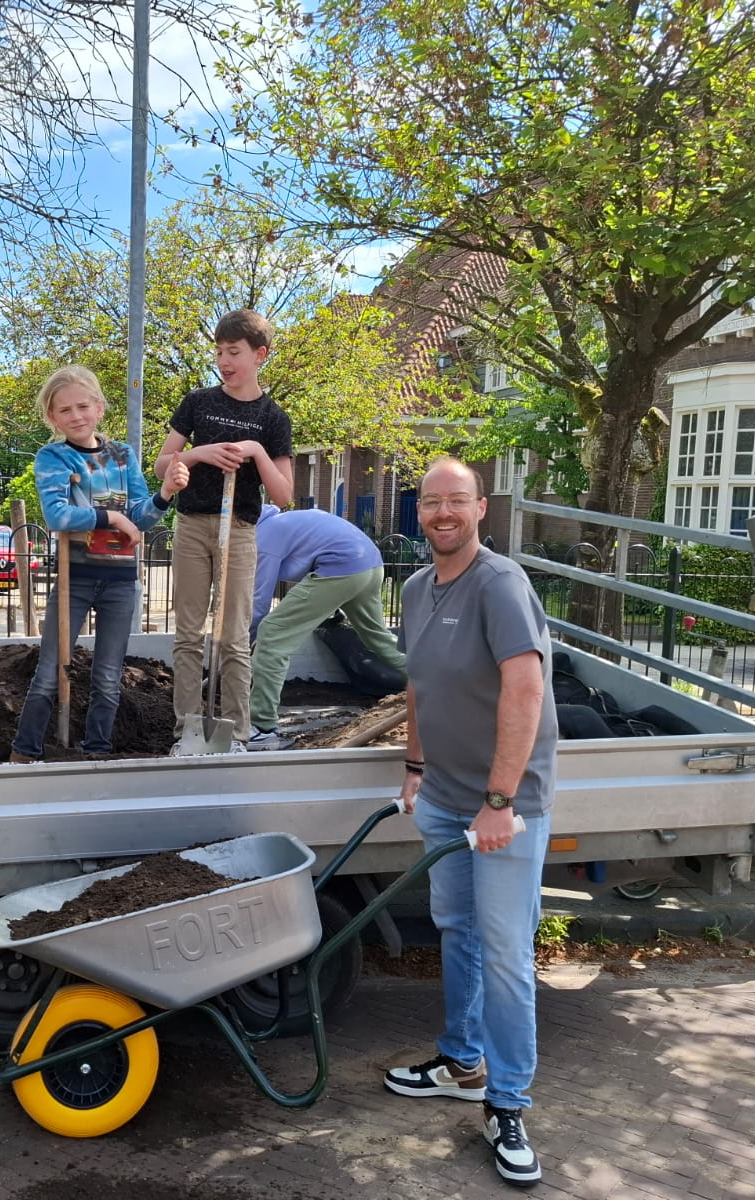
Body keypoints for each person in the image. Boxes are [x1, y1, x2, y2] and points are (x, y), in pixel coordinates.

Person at [385, 457, 555, 1191]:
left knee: (507, 953)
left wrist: (498, 800)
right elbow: (420, 684)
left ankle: (508, 1103)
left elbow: (525, 688)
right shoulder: (418, 588)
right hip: (447, 795)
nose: (443, 513)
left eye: (457, 501)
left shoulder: (500, 584)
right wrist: (416, 768)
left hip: (501, 805)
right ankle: (461, 1061)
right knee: (455, 927)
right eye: (431, 503)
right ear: (417, 513)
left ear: (481, 508)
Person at [8, 365, 189, 761]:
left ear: (100, 408)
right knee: (49, 671)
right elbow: (56, 516)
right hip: (77, 579)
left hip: (121, 581)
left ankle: (97, 751)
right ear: (52, 417)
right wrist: (112, 518)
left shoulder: (122, 455)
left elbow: (141, 517)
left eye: (83, 406)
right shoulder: (53, 456)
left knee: (108, 676)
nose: (76, 416)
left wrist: (165, 493)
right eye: (65, 410)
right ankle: (25, 752)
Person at [154, 309, 294, 752]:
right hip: (193, 525)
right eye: (218, 352)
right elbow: (161, 464)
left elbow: (285, 494)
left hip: (240, 529)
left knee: (233, 636)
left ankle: (236, 733)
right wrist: (200, 454)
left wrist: (255, 451)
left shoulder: (273, 418)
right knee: (188, 635)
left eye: (233, 352)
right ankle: (186, 732)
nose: (224, 361)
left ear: (260, 355)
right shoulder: (198, 402)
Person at [246, 503, 405, 749]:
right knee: (377, 639)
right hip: (370, 565)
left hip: (342, 567)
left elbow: (259, 602)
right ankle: (434, 679)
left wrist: (244, 644)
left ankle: (262, 728)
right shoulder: (285, 522)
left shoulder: (263, 537)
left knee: (272, 634)